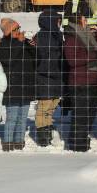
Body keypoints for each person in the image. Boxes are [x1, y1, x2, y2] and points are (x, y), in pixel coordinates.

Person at [62, 1, 97, 152]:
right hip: (79, 83)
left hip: (91, 81)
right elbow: (72, 60)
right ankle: (78, 146)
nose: (87, 21)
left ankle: (77, 139)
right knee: (81, 116)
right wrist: (93, 56)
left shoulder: (86, 35)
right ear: (78, 21)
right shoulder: (72, 37)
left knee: (90, 113)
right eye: (84, 19)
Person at [0, 18, 36, 151]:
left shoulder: (24, 42)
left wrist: (33, 47)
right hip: (13, 87)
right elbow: (8, 60)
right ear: (8, 32)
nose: (19, 31)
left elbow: (37, 59)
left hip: (26, 85)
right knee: (12, 118)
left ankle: (19, 143)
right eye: (15, 29)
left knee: (23, 118)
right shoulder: (4, 45)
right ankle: (7, 143)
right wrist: (19, 43)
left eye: (19, 28)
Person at [33, 8, 65, 147]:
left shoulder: (58, 35)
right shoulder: (42, 37)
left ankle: (48, 128)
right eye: (57, 21)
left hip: (57, 76)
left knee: (52, 105)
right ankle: (42, 135)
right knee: (43, 107)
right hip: (45, 76)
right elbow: (42, 58)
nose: (60, 23)